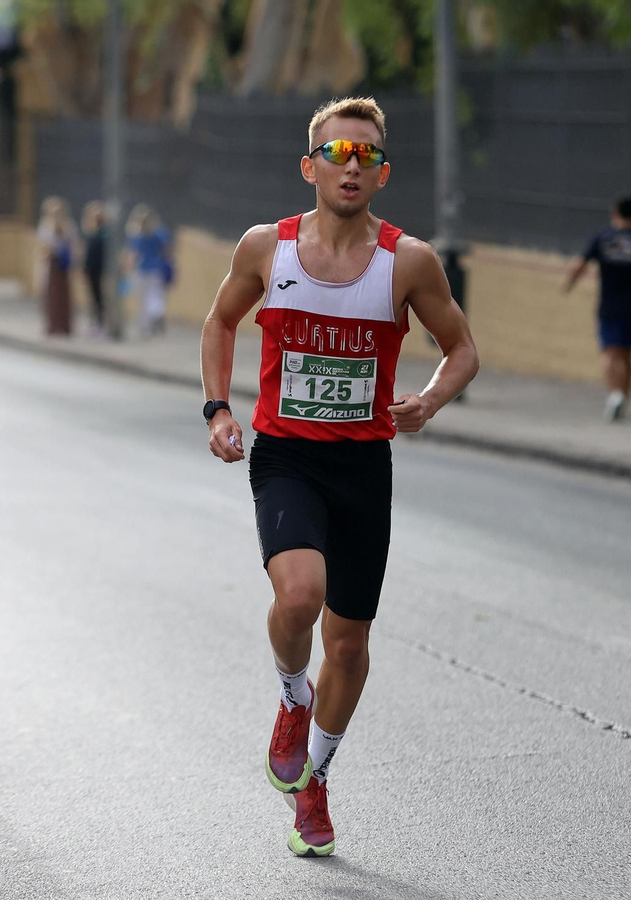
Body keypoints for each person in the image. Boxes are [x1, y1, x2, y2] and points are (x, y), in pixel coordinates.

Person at [199, 96, 479, 859]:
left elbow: (462, 350)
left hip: (363, 464)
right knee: (300, 596)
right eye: (336, 153)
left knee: (349, 644)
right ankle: (293, 702)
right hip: (287, 455)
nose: (349, 166)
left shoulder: (409, 262)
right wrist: (220, 409)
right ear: (309, 166)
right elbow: (221, 321)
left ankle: (314, 782)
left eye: (365, 156)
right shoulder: (268, 248)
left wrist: (428, 399)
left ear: (382, 174)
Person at [564, 196, 631, 421]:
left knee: (609, 352)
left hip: (609, 303)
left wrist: (569, 283)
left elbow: (581, 264)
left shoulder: (602, 238)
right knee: (628, 354)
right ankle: (625, 399)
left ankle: (614, 395)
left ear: (614, 212)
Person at [125, 204, 172, 337]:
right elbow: (167, 250)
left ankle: (145, 327)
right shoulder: (159, 233)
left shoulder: (135, 234)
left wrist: (129, 268)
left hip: (141, 269)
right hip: (156, 268)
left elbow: (133, 254)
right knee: (156, 295)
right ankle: (158, 314)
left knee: (142, 300)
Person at [37, 197, 75, 336]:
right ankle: (52, 325)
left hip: (62, 263)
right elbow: (43, 245)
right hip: (51, 263)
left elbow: (71, 243)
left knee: (63, 295)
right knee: (51, 295)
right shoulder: (45, 226)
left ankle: (64, 326)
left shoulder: (68, 226)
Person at [80, 201, 108, 338]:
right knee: (95, 300)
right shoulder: (94, 235)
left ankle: (100, 325)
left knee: (99, 300)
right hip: (93, 272)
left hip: (99, 272)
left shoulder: (102, 236)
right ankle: (96, 324)